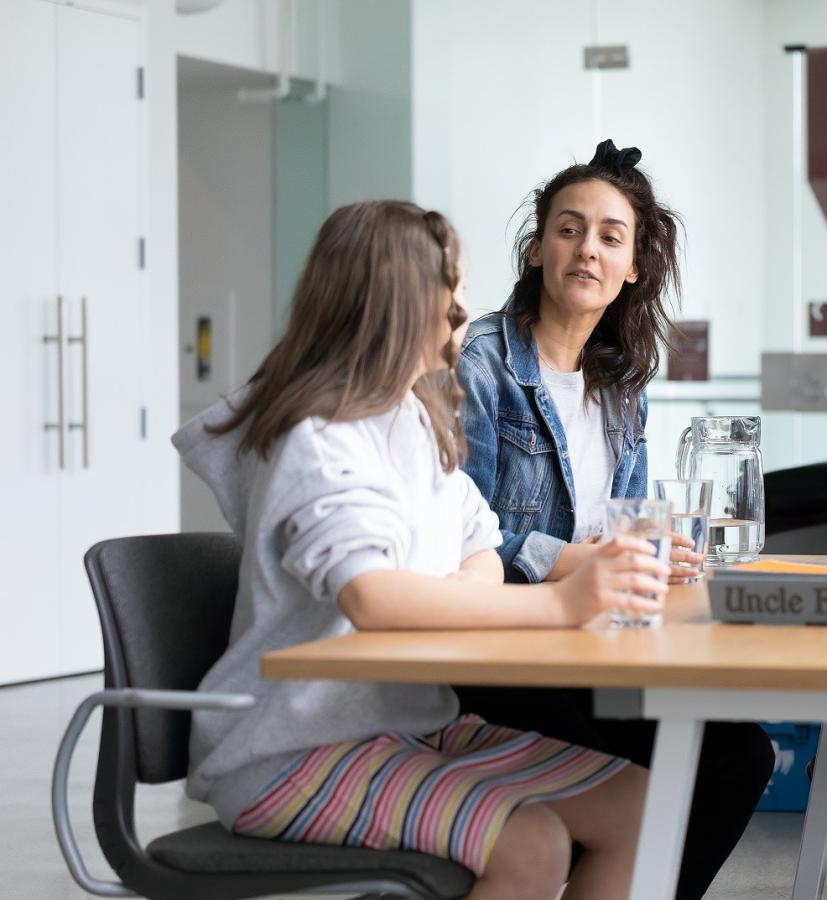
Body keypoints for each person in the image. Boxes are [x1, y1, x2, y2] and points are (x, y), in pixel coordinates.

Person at [173, 200, 673, 900]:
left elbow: (481, 547)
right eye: (452, 288)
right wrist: (561, 602)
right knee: (533, 844)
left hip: (406, 724)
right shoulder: (317, 437)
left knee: (642, 806)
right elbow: (372, 596)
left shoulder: (412, 417)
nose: (465, 310)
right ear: (397, 300)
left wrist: (466, 592)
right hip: (288, 751)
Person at [456, 139, 775, 899]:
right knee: (656, 773)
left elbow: (618, 531)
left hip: (585, 648)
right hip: (497, 656)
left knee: (740, 757)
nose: (585, 250)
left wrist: (653, 553)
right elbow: (457, 538)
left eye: (608, 235)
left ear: (633, 266)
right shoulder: (482, 365)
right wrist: (577, 562)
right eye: (567, 229)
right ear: (535, 250)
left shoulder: (620, 383)